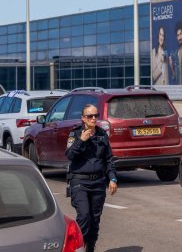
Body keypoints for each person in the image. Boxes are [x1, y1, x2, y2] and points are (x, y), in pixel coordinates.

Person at [66, 104, 118, 252]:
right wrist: (81, 141)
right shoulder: (75, 134)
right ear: (83, 118)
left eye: (96, 115)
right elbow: (69, 155)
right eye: (90, 116)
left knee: (95, 220)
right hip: (79, 181)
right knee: (84, 216)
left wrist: (112, 179)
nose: (94, 118)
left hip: (98, 182)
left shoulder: (102, 135)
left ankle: (90, 248)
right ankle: (78, 248)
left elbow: (109, 159)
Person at [170, 21, 182, 85]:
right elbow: (174, 77)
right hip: (179, 89)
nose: (179, 37)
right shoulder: (175, 54)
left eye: (180, 34)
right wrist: (171, 67)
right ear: (176, 37)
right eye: (178, 35)